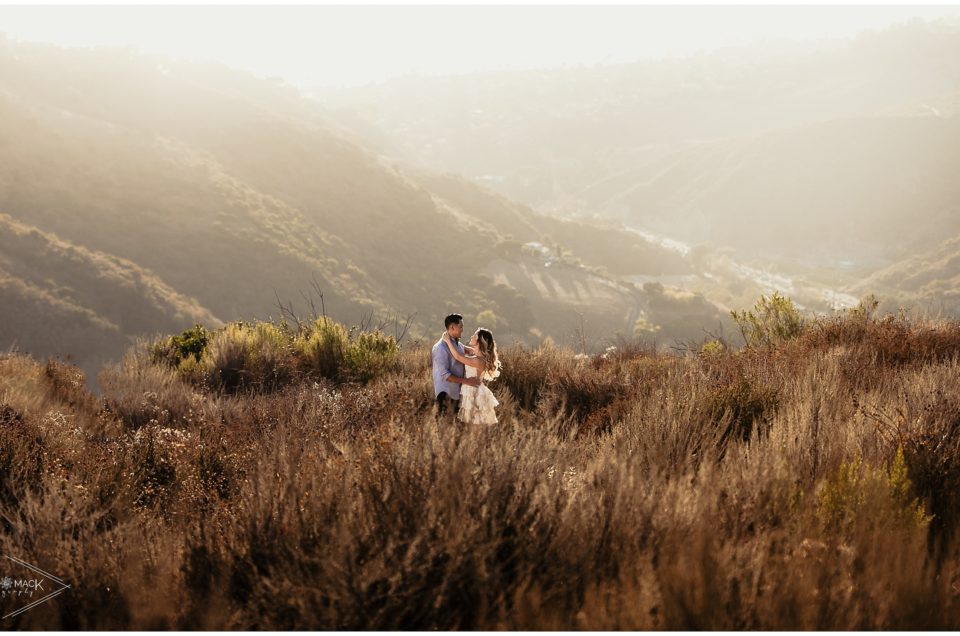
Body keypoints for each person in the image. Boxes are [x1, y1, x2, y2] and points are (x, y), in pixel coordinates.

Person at [440, 326, 501, 425]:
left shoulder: (478, 360)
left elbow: (458, 356)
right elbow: (463, 348)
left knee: (476, 426)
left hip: (475, 393)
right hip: (470, 390)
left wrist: (447, 341)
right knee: (472, 426)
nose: (472, 336)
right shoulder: (476, 354)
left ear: (479, 341)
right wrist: (453, 339)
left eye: (474, 335)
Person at [432, 313, 480, 419]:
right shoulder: (440, 348)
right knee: (443, 428)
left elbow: (470, 351)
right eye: (461, 326)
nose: (462, 329)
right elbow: (445, 375)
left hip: (456, 394)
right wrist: (467, 381)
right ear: (452, 327)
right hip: (445, 394)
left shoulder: (457, 344)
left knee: (454, 431)